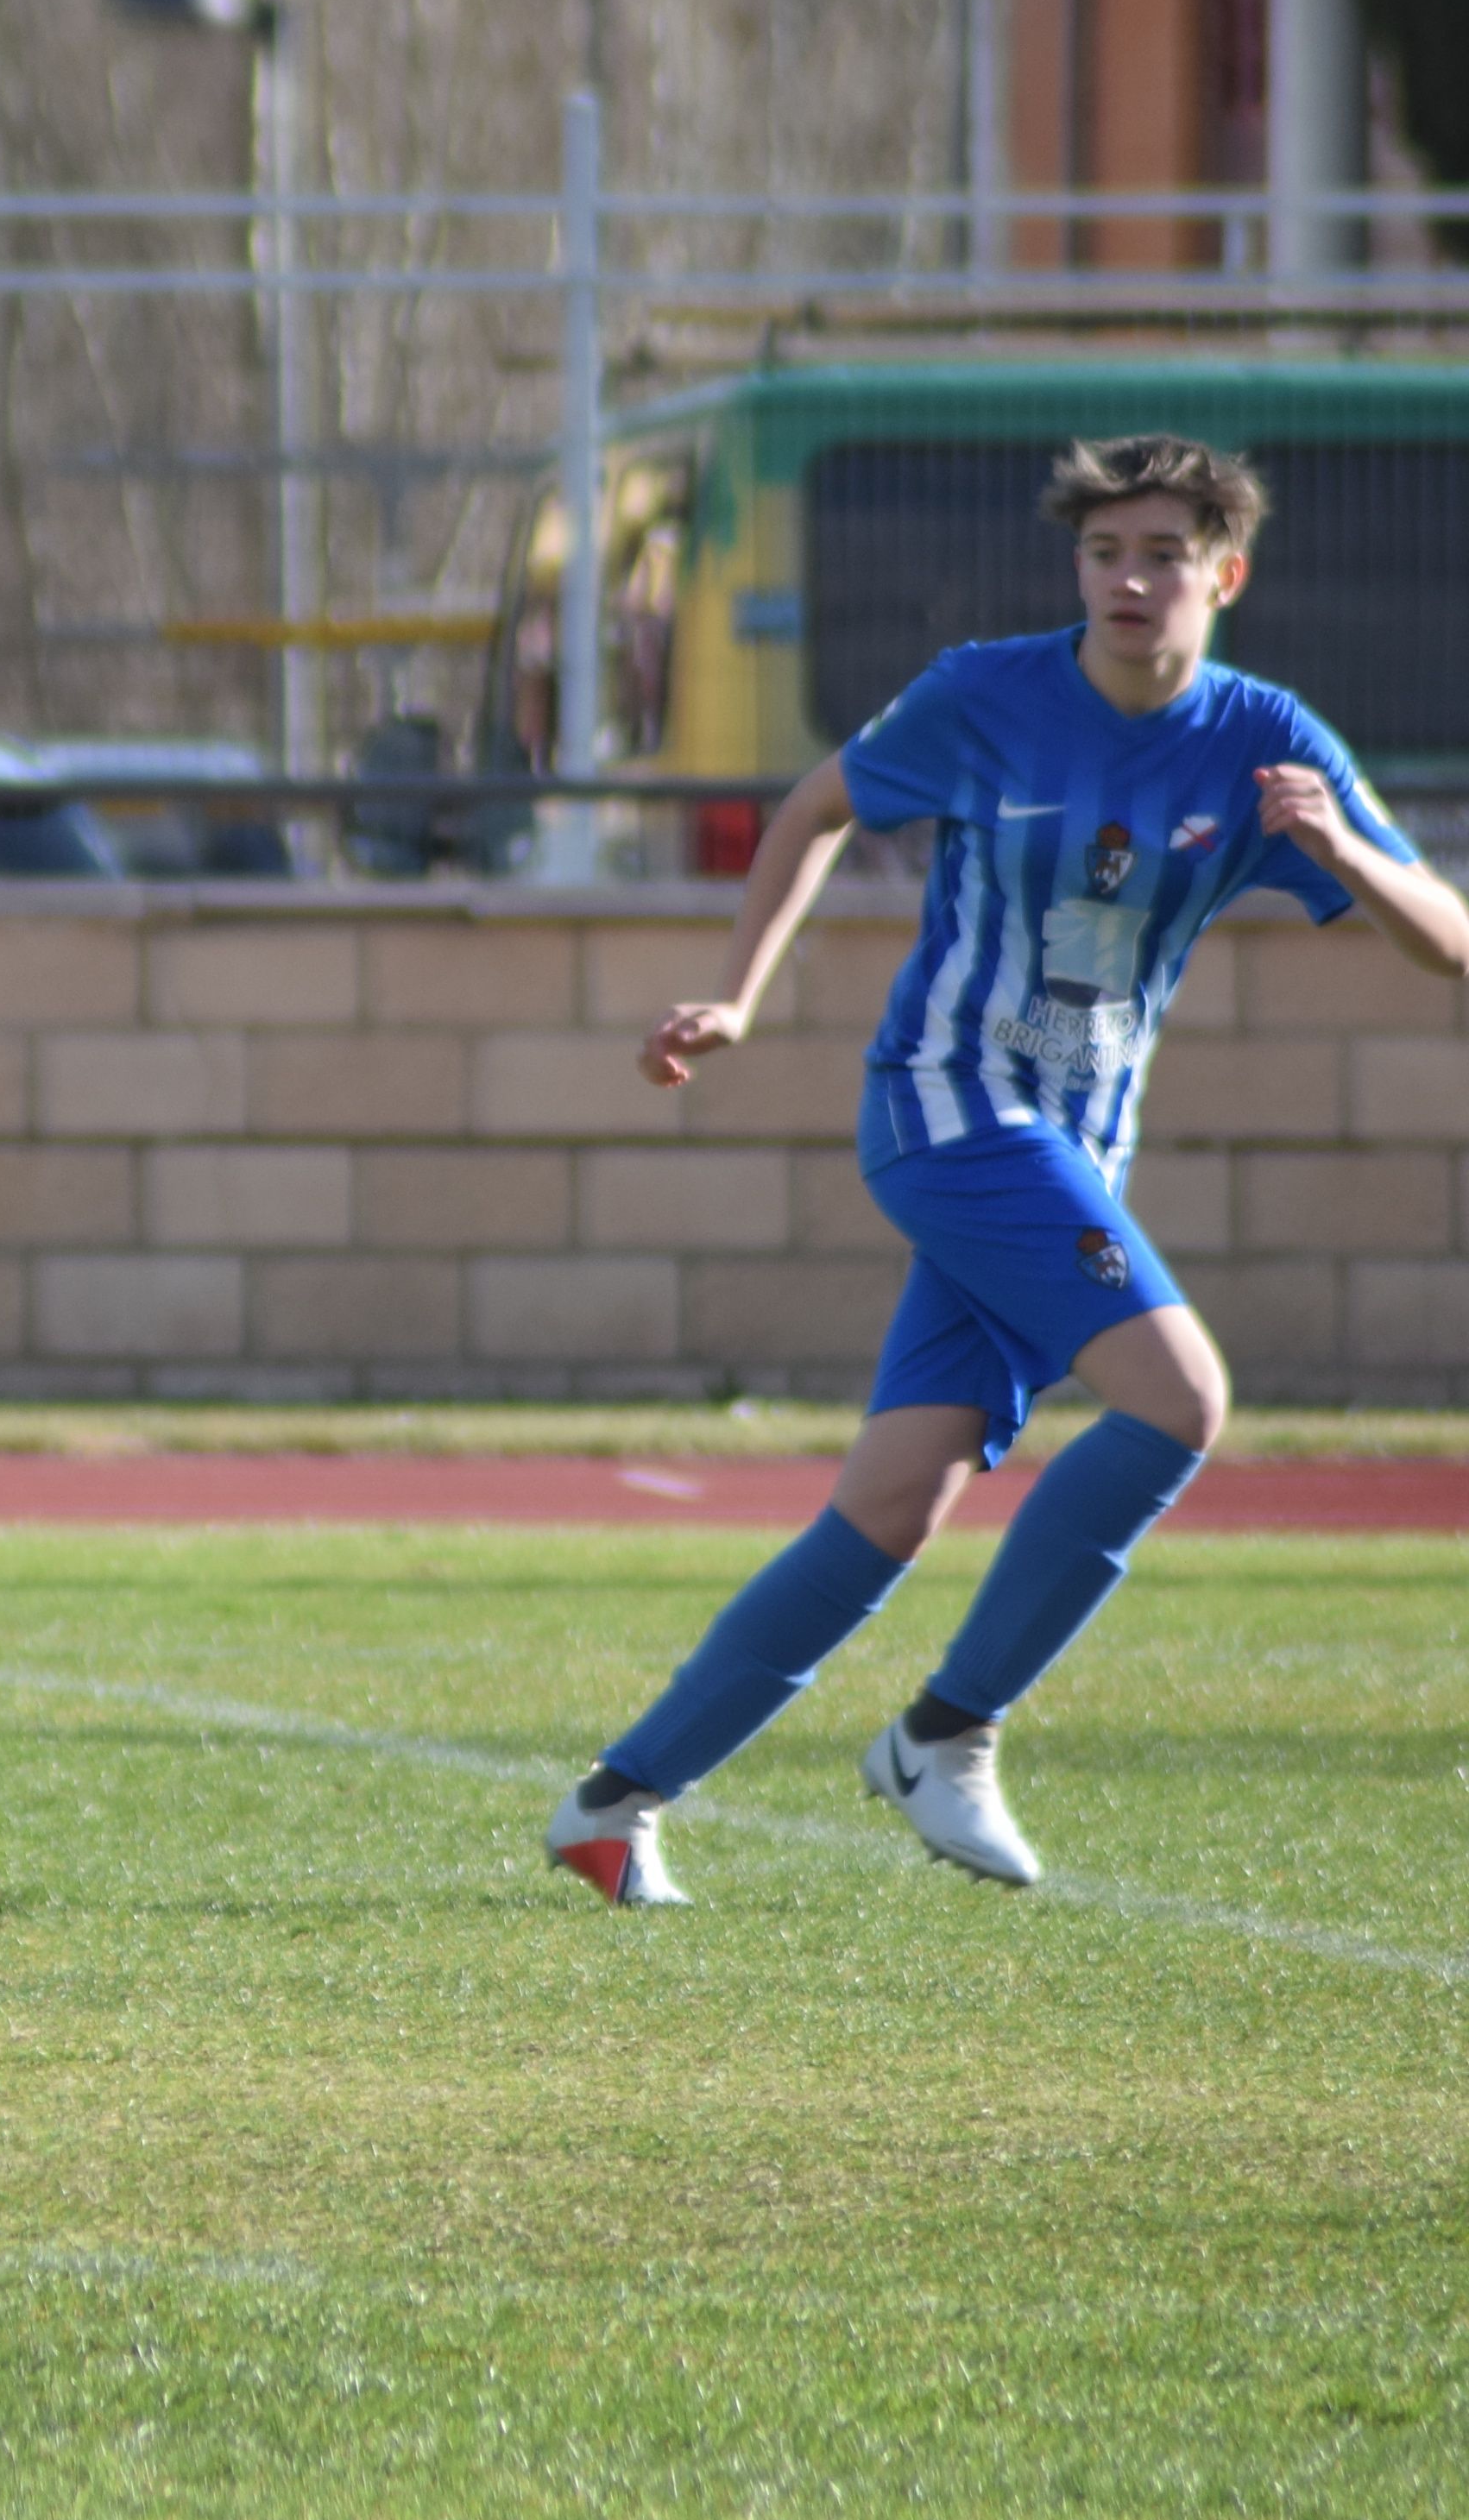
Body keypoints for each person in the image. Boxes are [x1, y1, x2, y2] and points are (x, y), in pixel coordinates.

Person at [552, 435, 1465, 1906]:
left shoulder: (1263, 739)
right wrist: (740, 997)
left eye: (1163, 555)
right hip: (949, 1111)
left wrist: (1344, 855)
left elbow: (1450, 939)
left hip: (1076, 1150)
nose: (1128, 580)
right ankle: (945, 1734)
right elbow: (813, 808)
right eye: (1106, 553)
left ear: (1224, 577)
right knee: (1185, 1400)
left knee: (894, 1500)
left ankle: (613, 1802)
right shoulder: (986, 692)